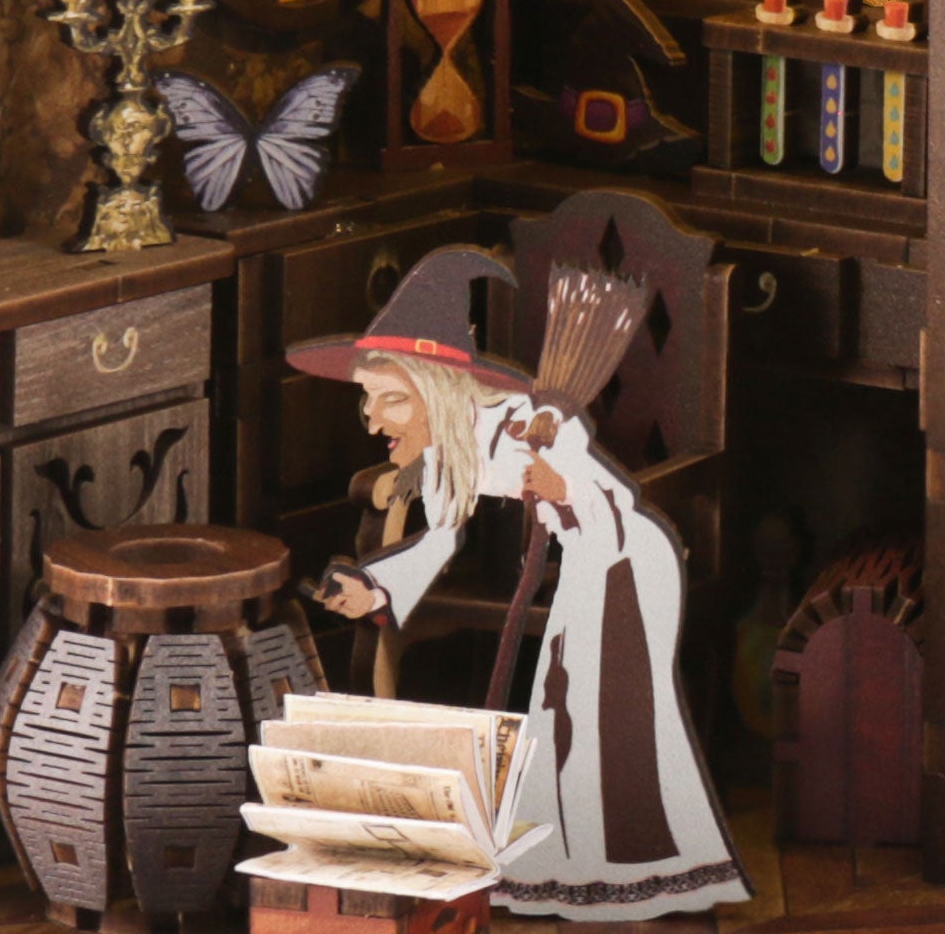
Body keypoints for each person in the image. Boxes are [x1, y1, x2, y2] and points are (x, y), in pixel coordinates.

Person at [288, 246, 750, 922]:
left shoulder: (537, 423)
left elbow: (618, 503)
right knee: (558, 702)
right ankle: (568, 863)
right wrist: (374, 589)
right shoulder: (447, 452)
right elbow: (439, 540)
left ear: (438, 390)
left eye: (391, 400)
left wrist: (563, 489)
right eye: (369, 400)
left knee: (599, 706)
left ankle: (633, 866)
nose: (373, 420)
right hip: (586, 565)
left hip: (627, 561)